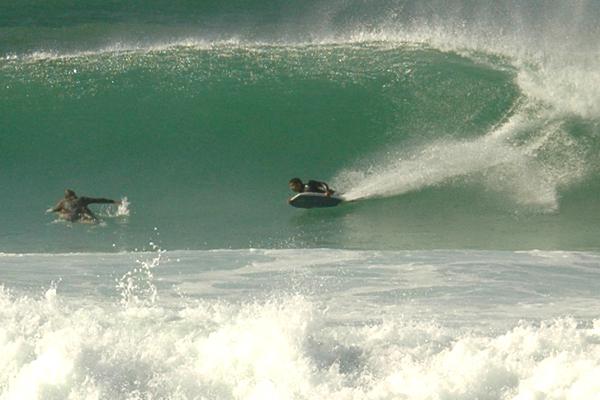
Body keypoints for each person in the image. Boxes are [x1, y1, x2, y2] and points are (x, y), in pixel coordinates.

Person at [47, 189, 121, 223]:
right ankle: (91, 221)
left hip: (70, 217)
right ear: (74, 195)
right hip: (82, 213)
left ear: (66, 197)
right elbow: (97, 200)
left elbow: (53, 210)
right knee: (84, 210)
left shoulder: (62, 202)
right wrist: (113, 201)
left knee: (61, 213)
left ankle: (85, 221)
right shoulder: (82, 199)